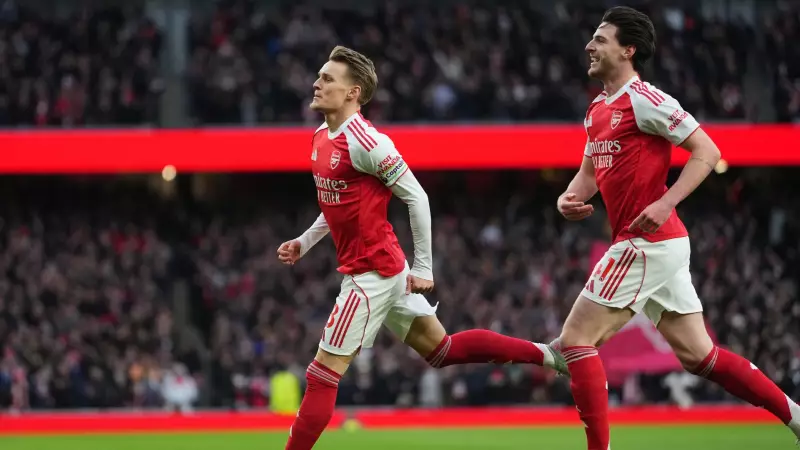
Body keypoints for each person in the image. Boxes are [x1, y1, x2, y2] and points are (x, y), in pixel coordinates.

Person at [278, 45, 567, 450]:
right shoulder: (321, 137)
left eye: (327, 78)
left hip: (372, 274)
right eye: (319, 75)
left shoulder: (368, 142)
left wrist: (425, 267)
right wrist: (304, 242)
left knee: (321, 375)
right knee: (442, 350)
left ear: (352, 93)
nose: (317, 83)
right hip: (384, 268)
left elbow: (417, 197)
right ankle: (550, 355)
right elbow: (336, 205)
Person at [554, 6, 800, 449]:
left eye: (601, 39)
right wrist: (567, 197)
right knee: (700, 357)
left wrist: (667, 200)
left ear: (628, 51)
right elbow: (588, 175)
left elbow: (707, 151)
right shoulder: (595, 110)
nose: (589, 46)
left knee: (575, 340)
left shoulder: (645, 99)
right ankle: (796, 417)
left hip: (645, 242)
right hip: (657, 243)